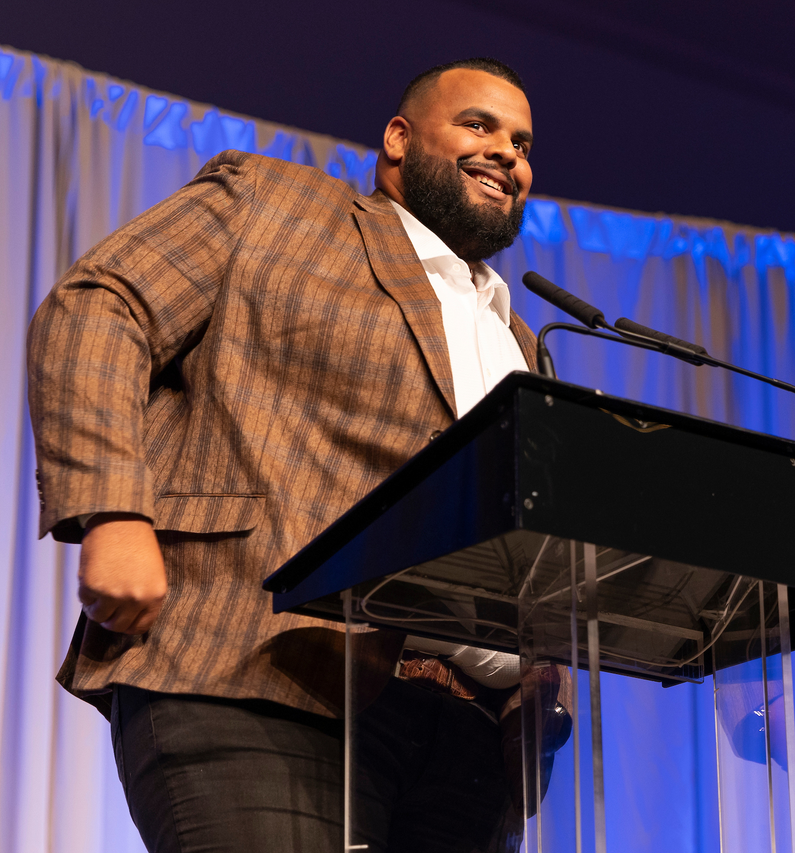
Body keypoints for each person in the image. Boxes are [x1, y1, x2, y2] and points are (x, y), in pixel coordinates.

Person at [27, 57, 562, 853]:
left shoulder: (526, 342)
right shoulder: (273, 204)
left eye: (521, 142)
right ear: (398, 139)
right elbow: (102, 306)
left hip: (476, 744)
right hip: (258, 673)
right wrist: (112, 508)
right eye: (478, 125)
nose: (508, 154)